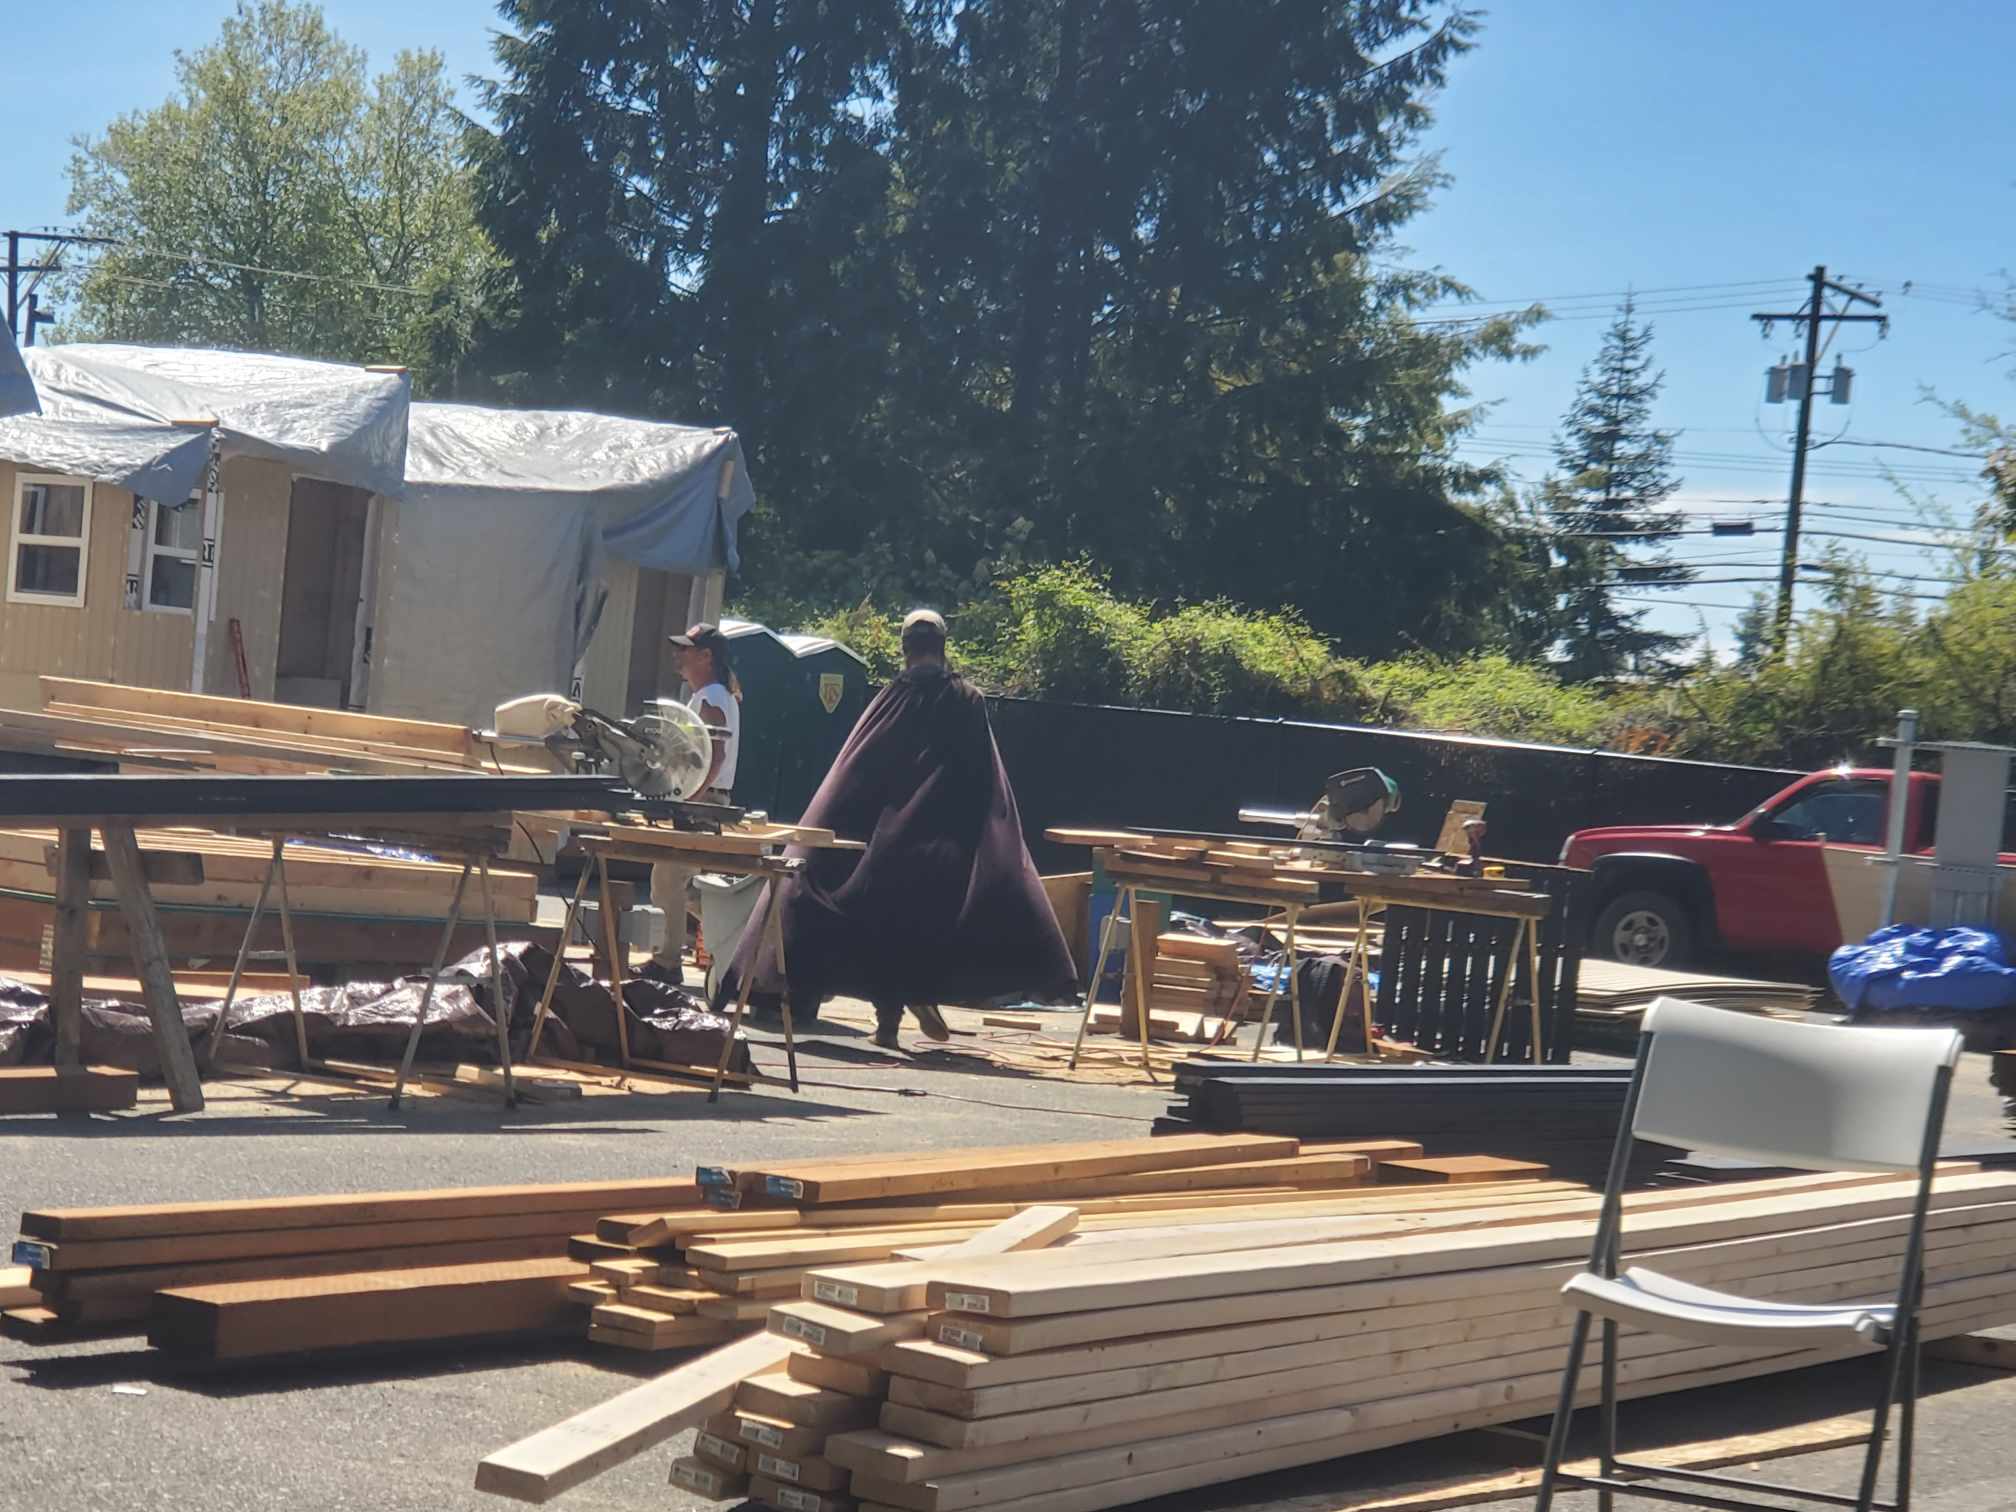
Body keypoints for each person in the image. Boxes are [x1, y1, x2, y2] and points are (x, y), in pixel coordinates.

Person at [721, 609, 1075, 1049]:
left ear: (905, 648)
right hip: (942, 843)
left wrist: (823, 839)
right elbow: (983, 777)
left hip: (886, 841)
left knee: (882, 920)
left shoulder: (893, 698)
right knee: (926, 922)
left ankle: (890, 1022)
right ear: (943, 646)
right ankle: (916, 996)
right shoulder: (966, 699)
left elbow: (854, 774)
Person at [650, 623, 741, 981]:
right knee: (685, 888)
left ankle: (668, 963)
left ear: (706, 656)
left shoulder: (712, 697)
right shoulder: (713, 695)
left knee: (668, 881)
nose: (678, 654)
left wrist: (690, 798)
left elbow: (715, 756)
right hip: (705, 800)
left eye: (685, 649)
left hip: (702, 802)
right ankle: (746, 937)